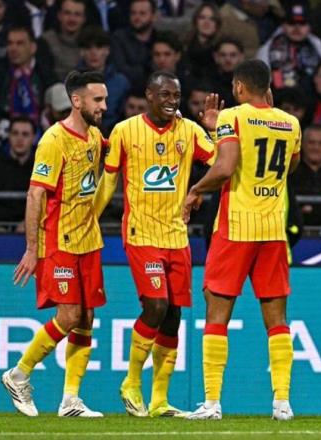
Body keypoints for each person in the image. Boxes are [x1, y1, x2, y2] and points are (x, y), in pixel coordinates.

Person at [93, 70, 218, 418]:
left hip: (177, 236)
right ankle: (131, 382)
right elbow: (108, 182)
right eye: (165, 95)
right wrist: (90, 217)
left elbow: (223, 163)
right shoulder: (125, 131)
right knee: (157, 306)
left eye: (176, 96)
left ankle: (160, 400)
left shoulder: (190, 131)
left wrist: (212, 131)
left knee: (173, 316)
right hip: (141, 233)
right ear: (149, 95)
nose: (172, 102)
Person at [184, 59, 301, 421]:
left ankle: (212, 403)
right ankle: (282, 403)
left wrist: (195, 190)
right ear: (268, 88)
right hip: (273, 230)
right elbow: (291, 166)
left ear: (238, 87)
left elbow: (224, 167)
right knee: (277, 319)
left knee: (217, 313)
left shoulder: (232, 117)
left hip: (235, 227)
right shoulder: (291, 122)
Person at [1, 69, 108, 418]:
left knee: (86, 317)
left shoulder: (95, 136)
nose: (104, 106)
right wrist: (32, 249)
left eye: (105, 99)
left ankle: (70, 400)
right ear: (76, 101)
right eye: (97, 100)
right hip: (58, 242)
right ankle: (18, 375)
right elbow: (35, 194)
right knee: (70, 315)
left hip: (88, 240)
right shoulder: (53, 140)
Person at [0, 116, 36, 230]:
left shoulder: (42, 167)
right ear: (9, 136)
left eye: (25, 134)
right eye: (15, 133)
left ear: (34, 138)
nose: (19, 139)